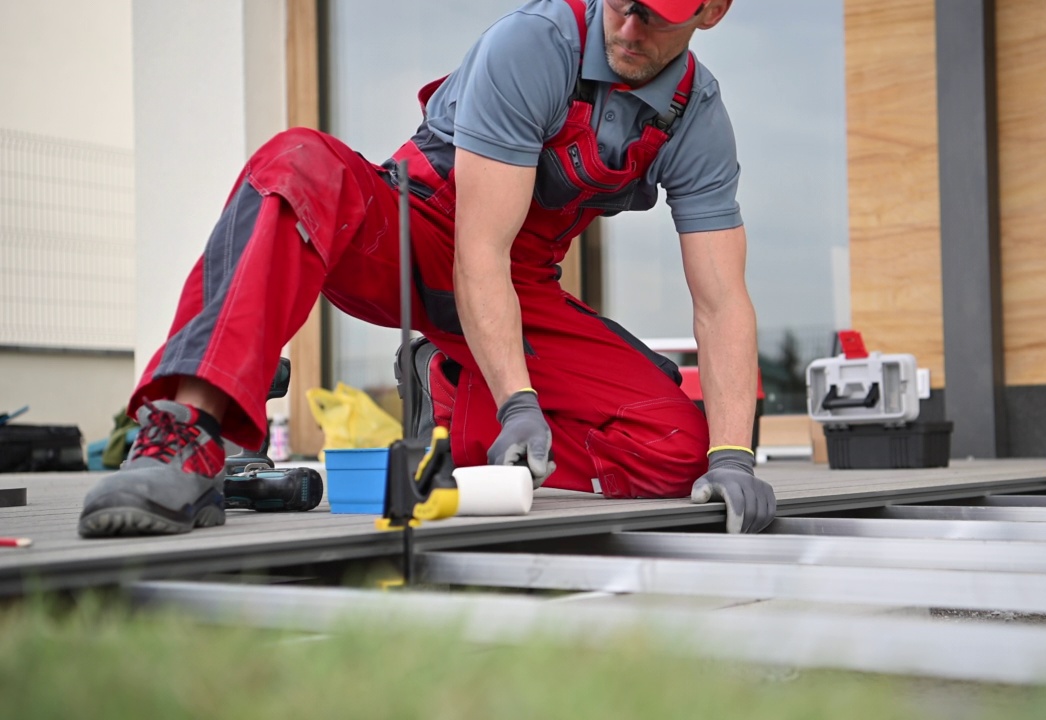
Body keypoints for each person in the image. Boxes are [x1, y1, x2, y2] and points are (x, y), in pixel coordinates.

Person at [78, 0, 775, 538]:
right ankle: (186, 436)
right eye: (622, 1)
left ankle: (454, 403)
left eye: (658, 14)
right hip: (410, 236)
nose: (629, 26)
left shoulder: (696, 119)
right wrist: (522, 400)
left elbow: (721, 303)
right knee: (296, 164)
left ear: (711, 12)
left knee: (684, 450)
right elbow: (477, 248)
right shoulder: (535, 45)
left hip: (518, 289)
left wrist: (734, 457)